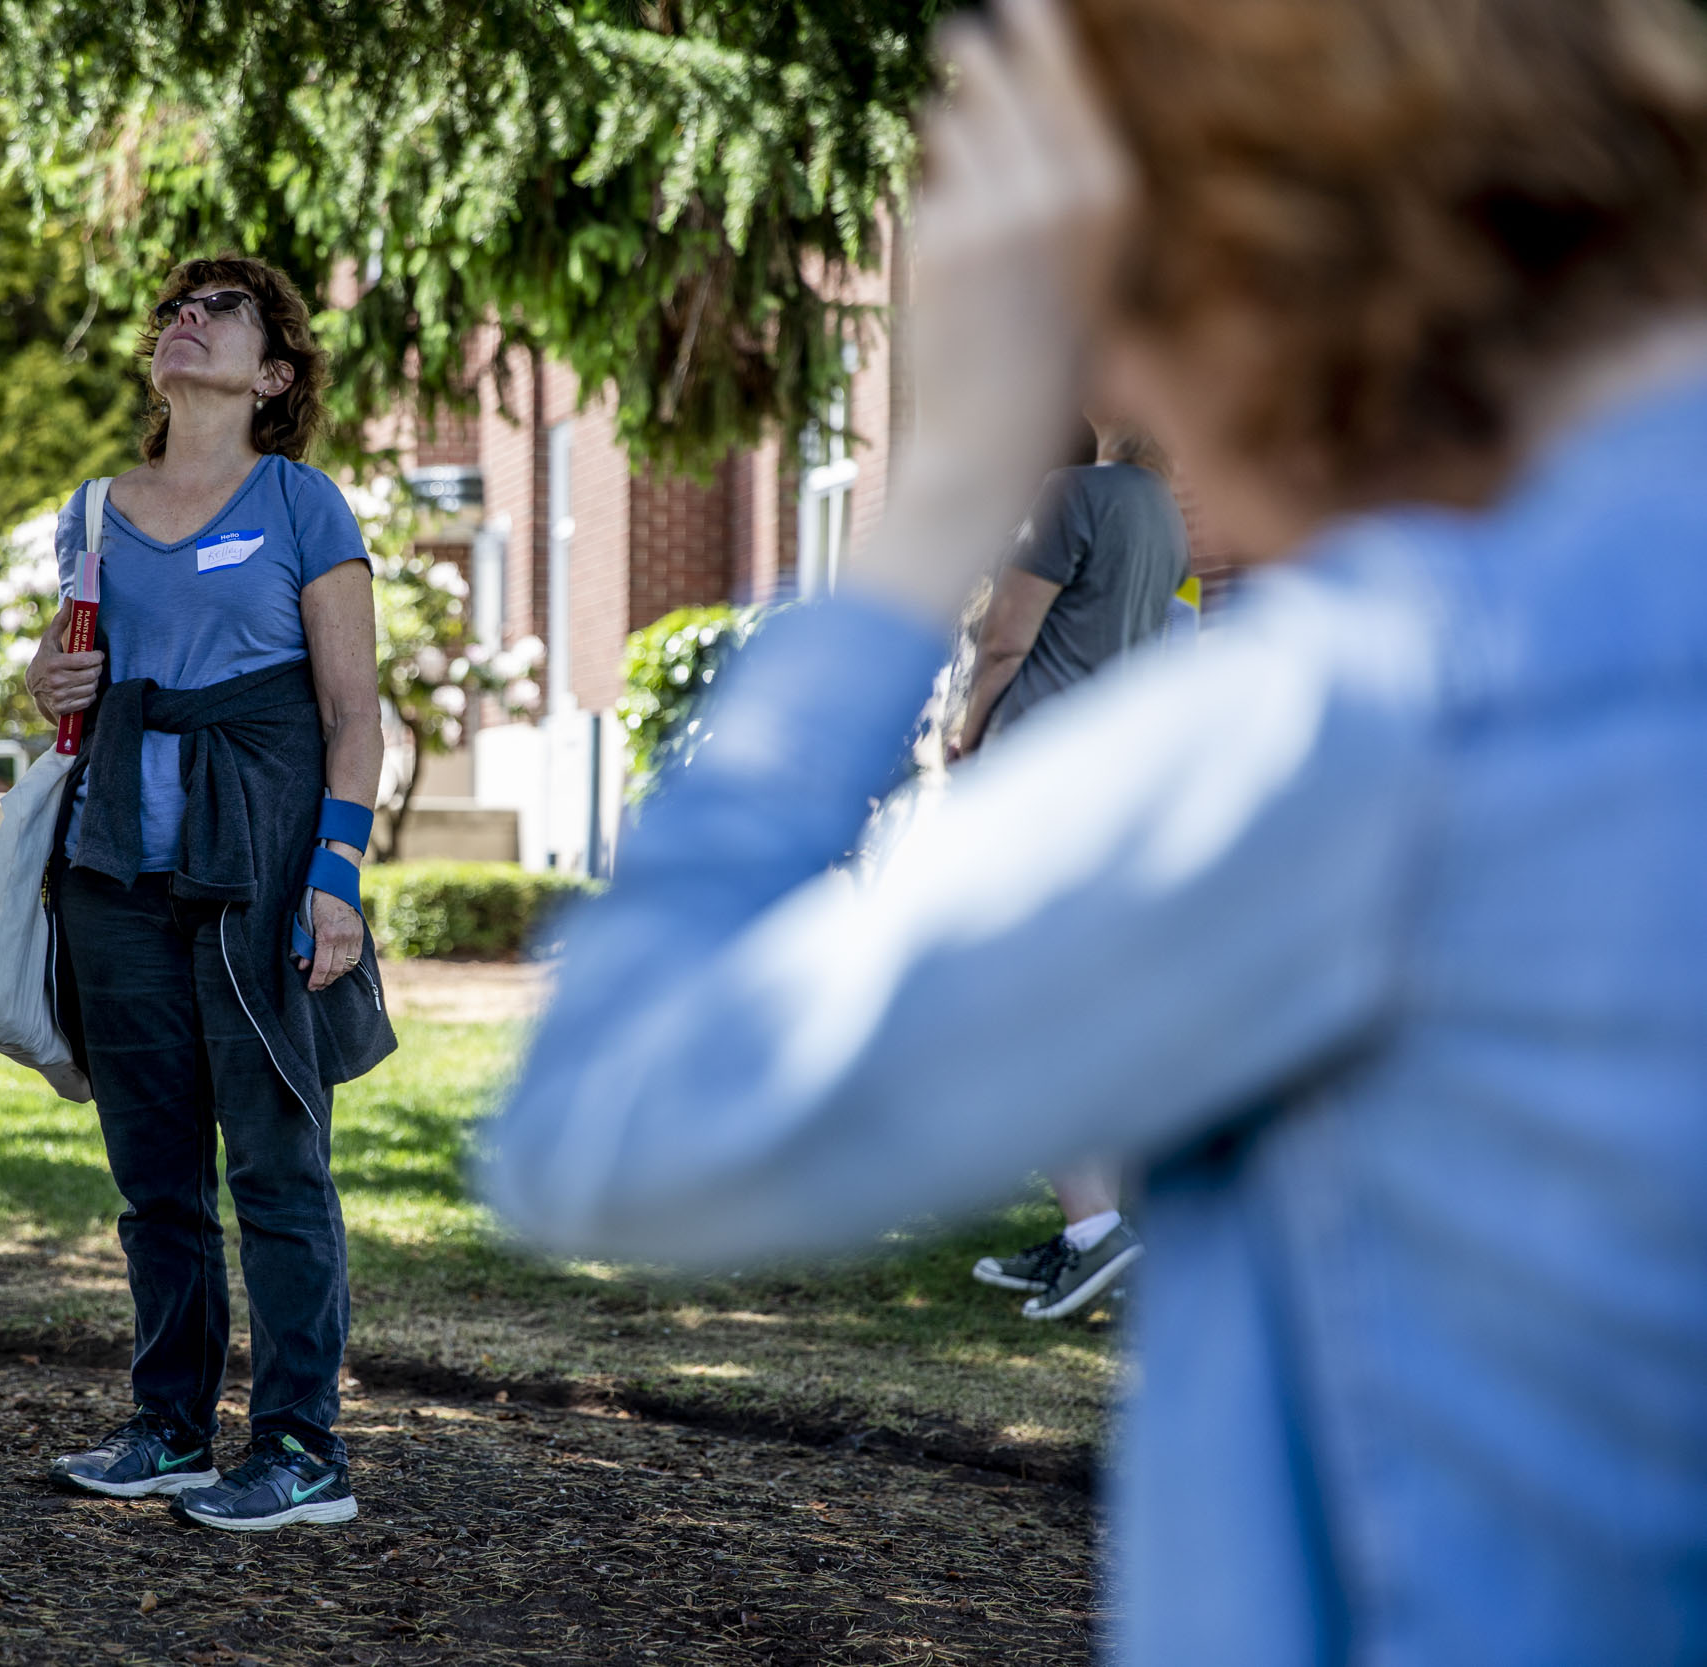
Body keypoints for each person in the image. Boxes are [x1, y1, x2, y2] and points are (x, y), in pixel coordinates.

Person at [484, 0, 1707, 1661]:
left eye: (1106, 302)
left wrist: (936, 505)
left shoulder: (1382, 723)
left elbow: (607, 1133)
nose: (1121, 374)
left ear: (1257, 250)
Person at [21, 255, 394, 1532]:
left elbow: (353, 712)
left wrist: (334, 877)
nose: (185, 322)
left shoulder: (301, 501)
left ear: (273, 373)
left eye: (218, 311)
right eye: (176, 309)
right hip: (114, 860)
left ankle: (300, 1447)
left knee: (278, 1164)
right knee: (155, 1174)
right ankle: (171, 1426)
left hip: (263, 856)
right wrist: (42, 678)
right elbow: (68, 660)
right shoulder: (91, 507)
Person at [956, 418, 1190, 1320]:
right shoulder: (1168, 516)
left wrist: (965, 734)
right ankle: (1088, 1229)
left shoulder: (1073, 495)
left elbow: (1008, 639)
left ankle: (1095, 1230)